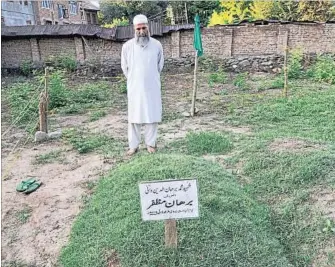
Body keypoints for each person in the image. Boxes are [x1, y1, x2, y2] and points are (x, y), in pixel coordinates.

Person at [121, 14, 164, 156]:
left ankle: (150, 144)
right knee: (134, 118)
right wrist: (135, 79)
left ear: (148, 27)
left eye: (143, 28)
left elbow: (160, 65)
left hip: (152, 87)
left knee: (151, 116)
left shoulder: (157, 45)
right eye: (138, 28)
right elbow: (125, 67)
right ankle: (133, 146)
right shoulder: (127, 47)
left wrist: (149, 78)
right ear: (134, 29)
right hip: (135, 88)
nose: (141, 31)